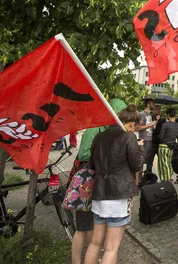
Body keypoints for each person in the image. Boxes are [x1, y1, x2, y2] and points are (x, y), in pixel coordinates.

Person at [85, 104, 145, 264]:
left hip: (99, 194)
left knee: (95, 242)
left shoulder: (99, 136)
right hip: (119, 196)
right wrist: (140, 148)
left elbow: (91, 165)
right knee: (111, 248)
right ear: (132, 123)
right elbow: (137, 165)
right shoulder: (128, 137)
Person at [71, 98, 126, 264]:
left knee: (93, 230)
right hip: (86, 184)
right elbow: (83, 155)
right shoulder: (95, 128)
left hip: (99, 185)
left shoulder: (111, 131)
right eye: (119, 114)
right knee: (82, 227)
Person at [158, 108, 178, 183]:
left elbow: (161, 136)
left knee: (163, 163)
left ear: (168, 115)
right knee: (169, 162)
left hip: (163, 146)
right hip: (172, 146)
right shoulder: (176, 124)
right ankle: (170, 177)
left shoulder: (165, 124)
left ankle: (165, 179)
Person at [137, 98, 157, 175]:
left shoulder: (151, 115)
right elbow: (138, 128)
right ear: (148, 104)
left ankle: (143, 178)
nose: (154, 105)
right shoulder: (142, 114)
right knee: (141, 160)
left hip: (150, 140)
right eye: (153, 104)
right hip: (144, 140)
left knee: (147, 161)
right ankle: (138, 180)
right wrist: (149, 125)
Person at [146, 104, 163, 174]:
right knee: (150, 159)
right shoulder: (151, 117)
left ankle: (162, 174)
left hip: (160, 141)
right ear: (154, 110)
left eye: (159, 109)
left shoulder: (162, 119)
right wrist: (156, 121)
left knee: (161, 160)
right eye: (156, 109)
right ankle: (148, 173)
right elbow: (151, 128)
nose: (158, 111)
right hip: (153, 141)